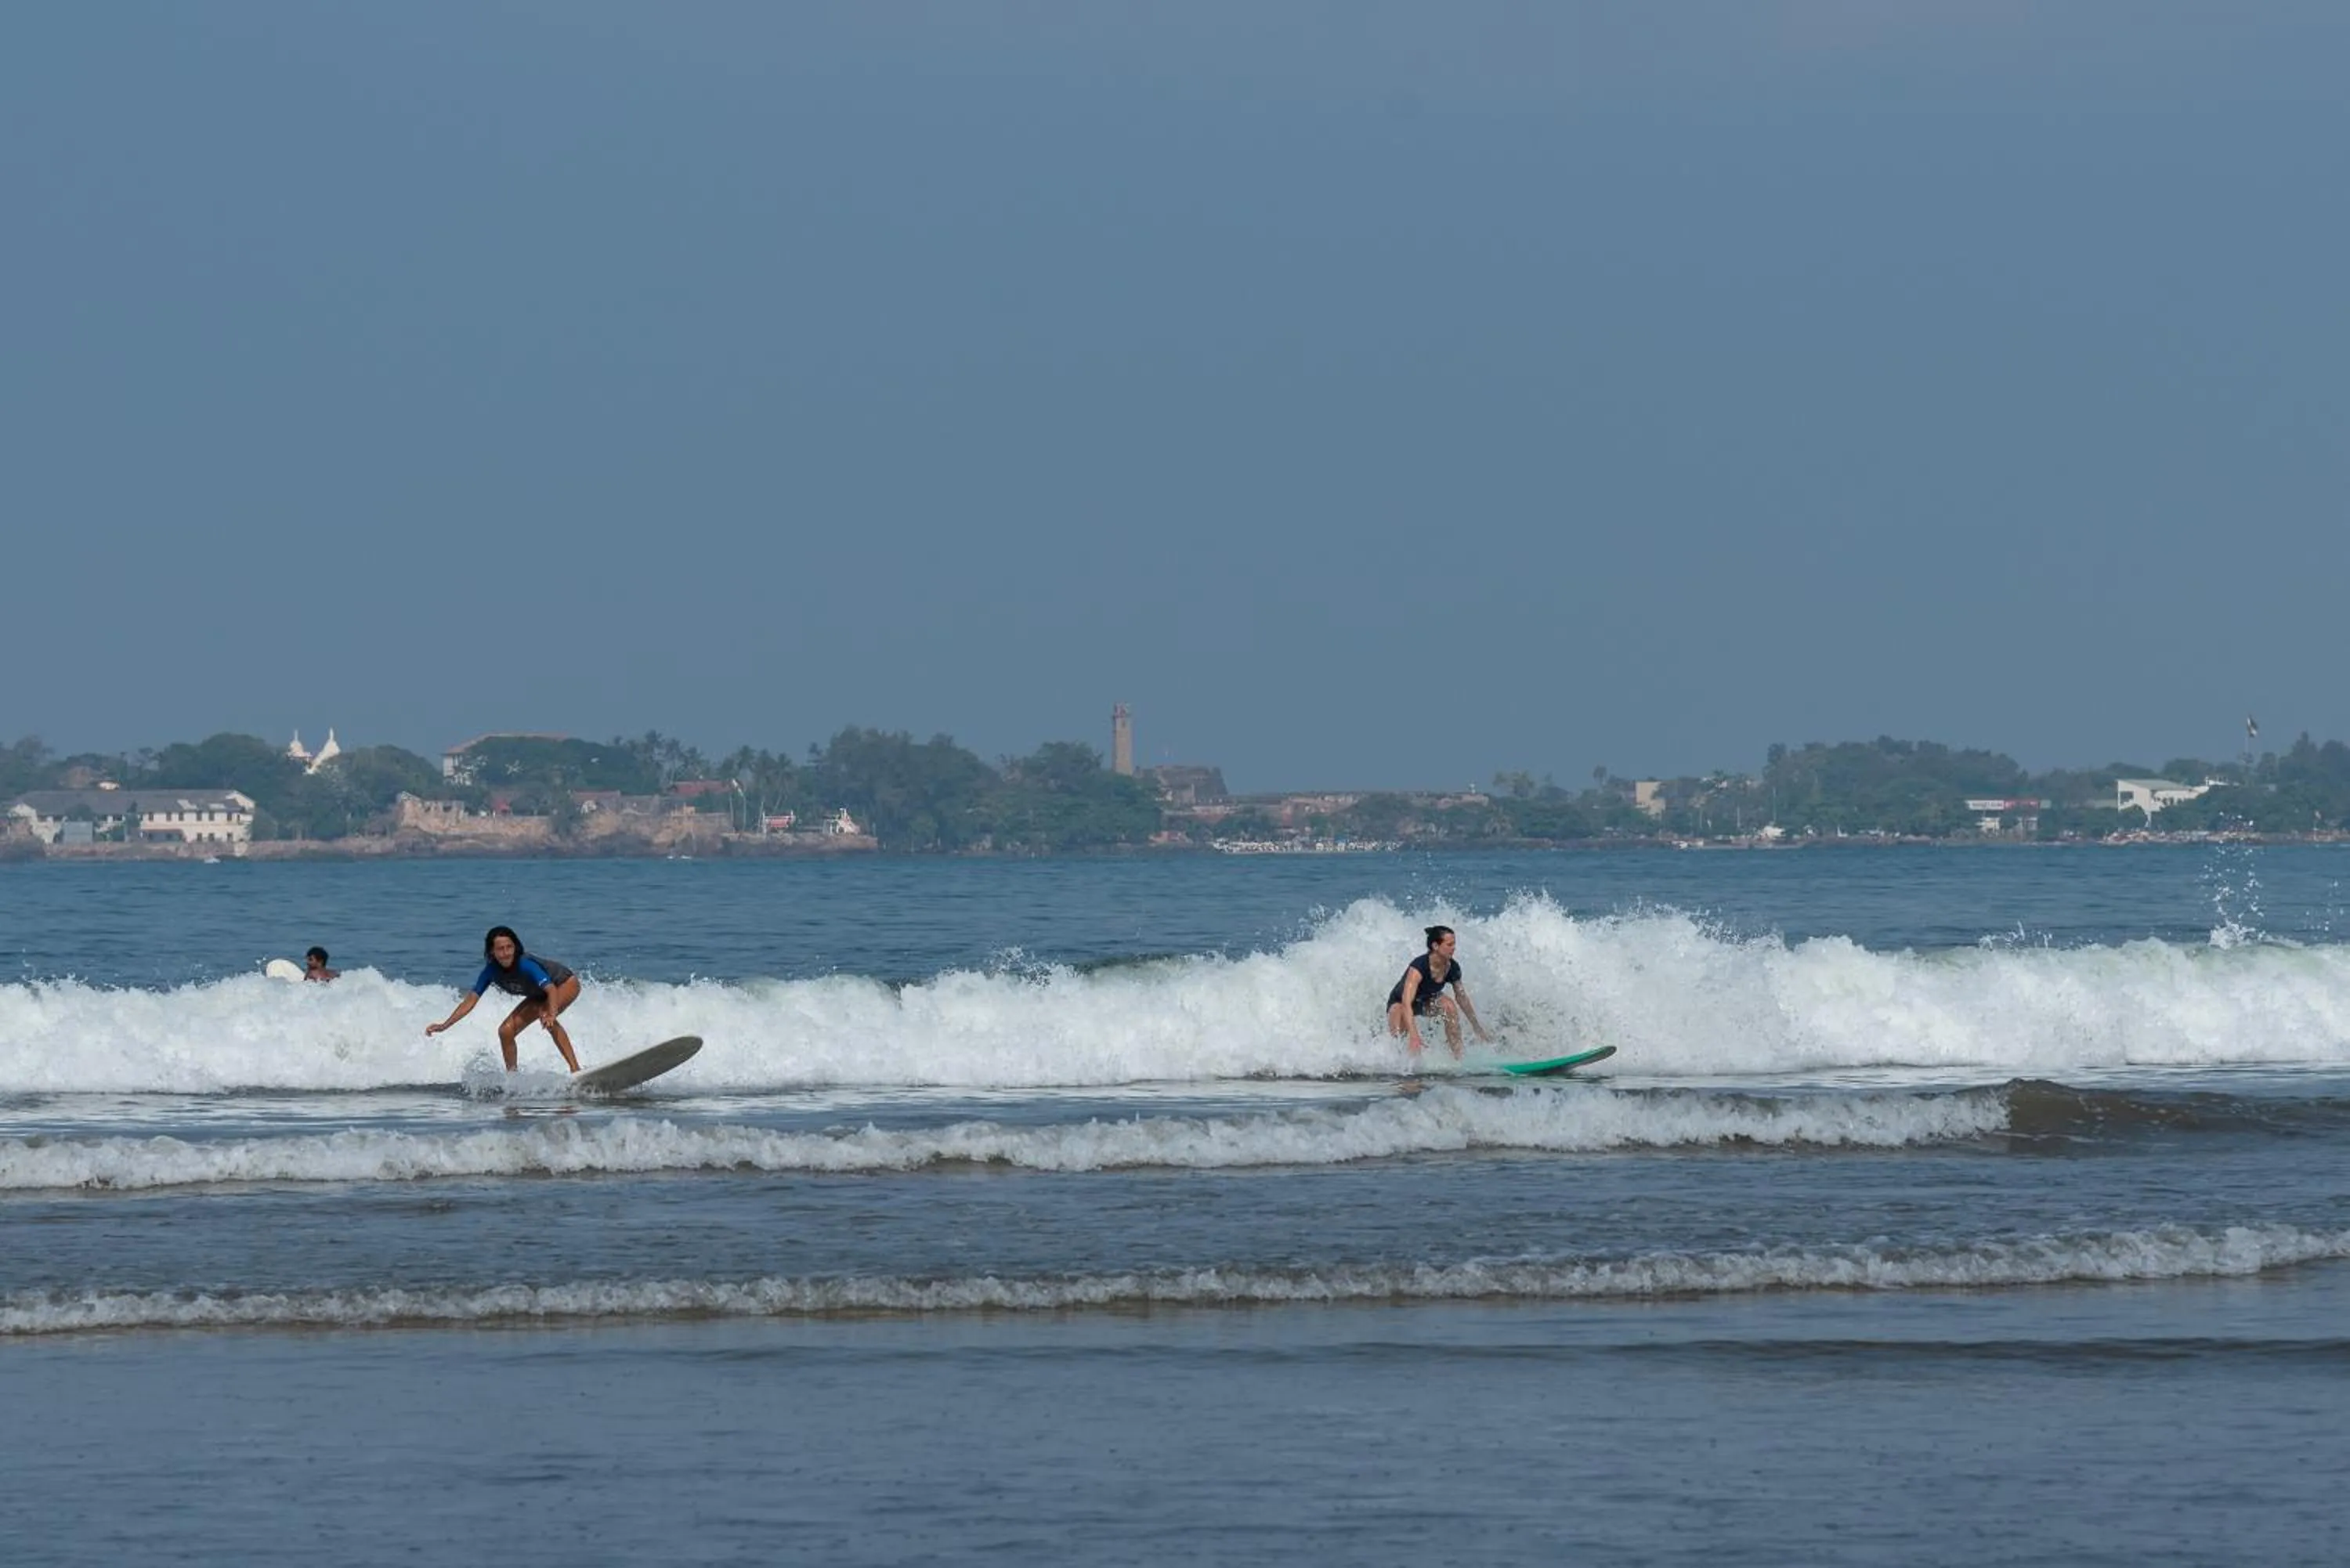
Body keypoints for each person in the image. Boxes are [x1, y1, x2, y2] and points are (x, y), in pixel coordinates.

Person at [425, 926, 583, 1073]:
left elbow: (550, 989)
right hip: (538, 995)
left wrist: (551, 1013)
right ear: (492, 952)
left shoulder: (525, 964)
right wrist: (445, 1025)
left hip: (564, 984)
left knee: (546, 1016)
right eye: (500, 949)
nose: (506, 953)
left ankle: (576, 1070)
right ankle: (513, 1079)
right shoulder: (491, 971)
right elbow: (470, 1001)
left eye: (509, 947)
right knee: (505, 1031)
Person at [1386, 924, 1491, 1058]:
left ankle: (1458, 1058)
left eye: (1454, 944)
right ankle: (1399, 1063)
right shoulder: (1419, 967)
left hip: (1425, 1002)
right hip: (1401, 1004)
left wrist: (1477, 1028)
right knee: (1404, 1040)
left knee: (1449, 1007)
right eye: (1449, 945)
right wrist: (1414, 1036)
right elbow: (1406, 1003)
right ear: (1436, 946)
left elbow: (1462, 999)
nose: (1454, 948)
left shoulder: (1452, 967)